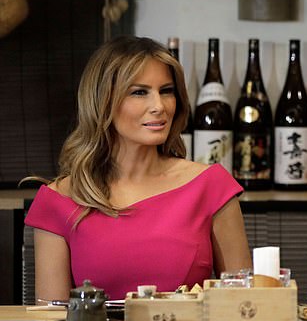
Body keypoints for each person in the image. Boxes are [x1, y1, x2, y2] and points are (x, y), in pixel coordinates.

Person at [24, 35, 251, 301]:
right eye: (139, 92)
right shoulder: (58, 199)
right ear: (103, 101)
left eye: (166, 91)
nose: (159, 106)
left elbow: (244, 306)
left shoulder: (211, 186)